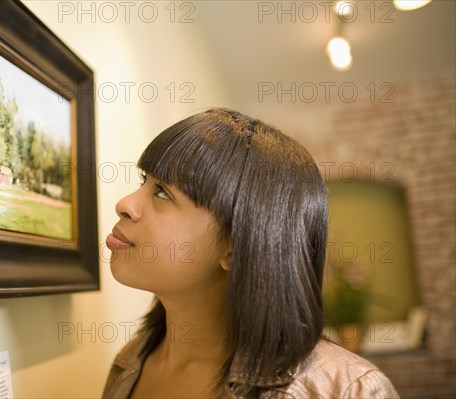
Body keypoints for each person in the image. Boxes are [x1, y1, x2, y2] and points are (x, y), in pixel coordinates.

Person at [103, 108, 399, 398]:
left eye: (163, 192)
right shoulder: (130, 362)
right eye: (145, 181)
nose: (125, 203)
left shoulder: (346, 389)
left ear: (235, 247)